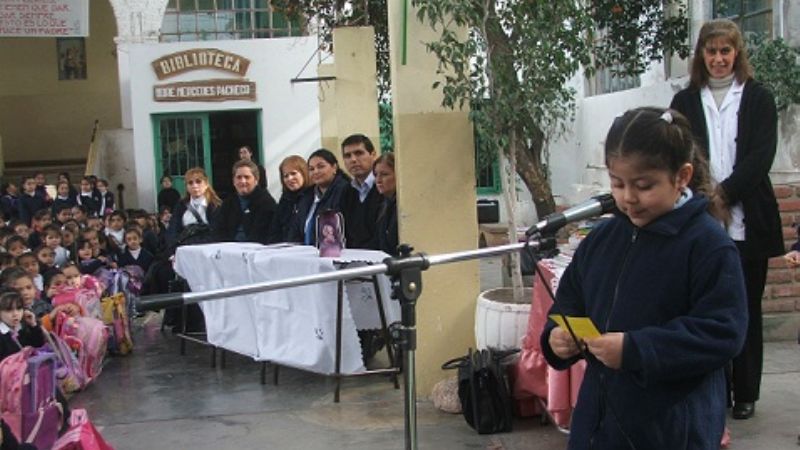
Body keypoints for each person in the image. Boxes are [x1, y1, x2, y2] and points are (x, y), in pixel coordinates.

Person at [540, 107, 747, 449]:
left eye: (643, 185)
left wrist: (635, 349)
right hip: (599, 427)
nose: (627, 198)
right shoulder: (601, 241)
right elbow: (569, 304)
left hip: (672, 430)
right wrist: (557, 339)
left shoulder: (708, 245)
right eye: (617, 184)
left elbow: (723, 332)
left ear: (682, 176)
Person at [670, 19, 782, 421]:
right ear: (701, 55)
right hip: (699, 219)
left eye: (725, 51)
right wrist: (703, 196)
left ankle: (746, 392)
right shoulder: (683, 102)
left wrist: (724, 193)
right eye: (711, 51)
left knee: (746, 307)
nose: (718, 59)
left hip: (747, 220)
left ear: (737, 54)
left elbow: (759, 158)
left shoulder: (758, 98)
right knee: (704, 308)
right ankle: (714, 387)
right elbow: (677, 153)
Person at [297, 149, 350, 246]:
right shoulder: (306, 196)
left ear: (334, 168)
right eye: (311, 169)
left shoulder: (345, 191)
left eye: (320, 167)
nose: (315, 172)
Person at [216, 160, 276, 244]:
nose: (242, 181)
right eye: (239, 177)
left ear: (256, 180)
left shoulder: (266, 203)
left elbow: (261, 234)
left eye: (247, 177)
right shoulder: (228, 203)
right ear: (233, 181)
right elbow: (219, 231)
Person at [339, 134, 382, 249]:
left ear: (373, 155)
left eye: (359, 153)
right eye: (347, 156)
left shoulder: (383, 187)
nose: (353, 160)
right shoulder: (346, 191)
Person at [166, 168, 221, 250]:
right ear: (187, 187)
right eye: (190, 183)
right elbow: (172, 230)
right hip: (182, 249)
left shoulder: (215, 205)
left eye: (198, 182)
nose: (194, 186)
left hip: (208, 249)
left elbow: (217, 233)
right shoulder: (180, 206)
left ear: (206, 184)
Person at [267, 155, 311, 243]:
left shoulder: (313, 198)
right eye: (286, 176)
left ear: (304, 173)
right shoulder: (284, 200)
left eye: (293, 173)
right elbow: (275, 230)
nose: (290, 178)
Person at [373, 153, 398, 256]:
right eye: (375, 175)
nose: (378, 180)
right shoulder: (383, 205)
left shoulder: (401, 207)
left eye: (384, 174)